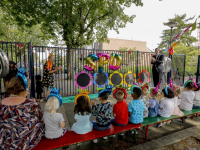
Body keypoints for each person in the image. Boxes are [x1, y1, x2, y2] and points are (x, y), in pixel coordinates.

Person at [0, 68, 44, 150]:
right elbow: (41, 117)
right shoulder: (31, 103)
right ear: (25, 89)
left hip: (4, 144)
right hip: (25, 142)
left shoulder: (1, 103)